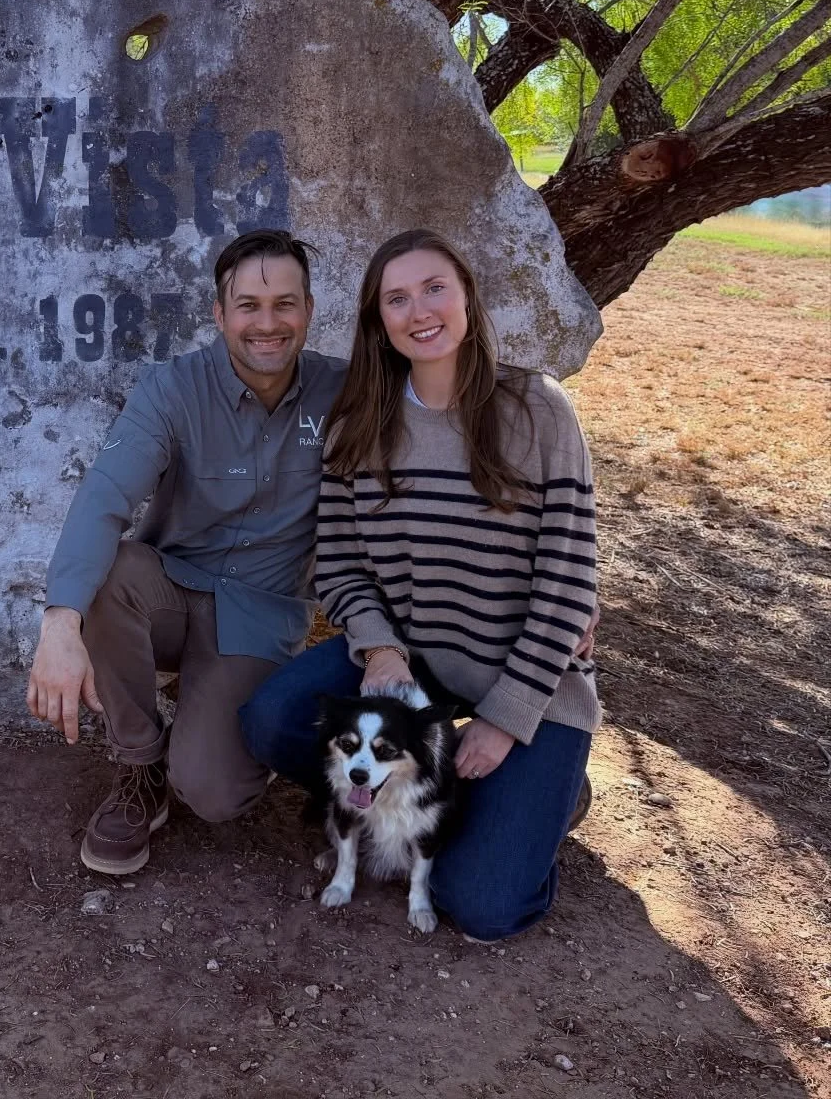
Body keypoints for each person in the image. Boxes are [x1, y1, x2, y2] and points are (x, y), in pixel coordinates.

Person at [239, 228, 600, 942]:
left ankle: (544, 797)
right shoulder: (360, 422)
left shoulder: (537, 409)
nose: (419, 311)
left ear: (468, 295)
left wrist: (504, 719)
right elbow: (339, 564)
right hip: (413, 666)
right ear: (379, 320)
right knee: (271, 721)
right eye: (396, 298)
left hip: (528, 675)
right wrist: (379, 651)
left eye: (435, 287)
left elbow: (570, 582)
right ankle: (441, 792)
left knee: (483, 905)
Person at [26, 230, 347, 875]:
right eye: (248, 305)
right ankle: (139, 764)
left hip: (258, 613)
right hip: (169, 590)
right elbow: (104, 497)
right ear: (219, 313)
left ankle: (196, 740)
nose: (267, 323)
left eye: (285, 304)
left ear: (310, 309)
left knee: (214, 793)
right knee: (110, 570)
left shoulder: (346, 392)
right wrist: (59, 622)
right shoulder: (171, 389)